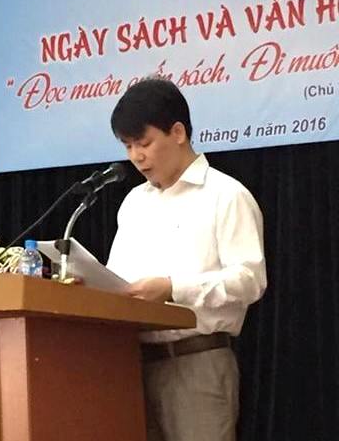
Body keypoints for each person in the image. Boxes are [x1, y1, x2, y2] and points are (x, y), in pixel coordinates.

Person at [105, 78, 267, 441]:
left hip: (196, 362)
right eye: (128, 146)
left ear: (177, 132)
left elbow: (249, 280)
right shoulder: (134, 203)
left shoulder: (226, 195)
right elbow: (117, 279)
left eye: (144, 143)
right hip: (128, 365)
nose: (136, 156)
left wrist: (173, 288)